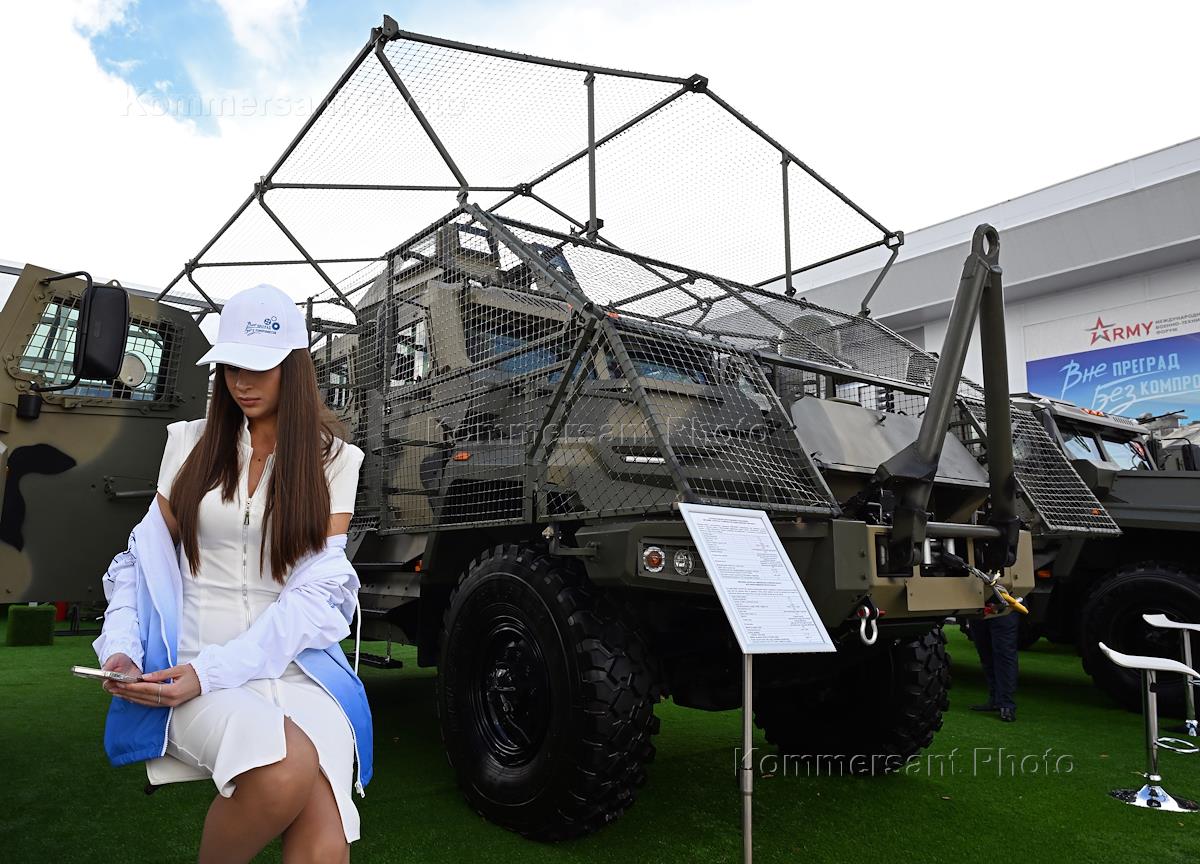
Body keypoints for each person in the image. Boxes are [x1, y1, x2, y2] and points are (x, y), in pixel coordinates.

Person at [92, 283, 367, 863]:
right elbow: (139, 563)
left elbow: (317, 596)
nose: (242, 382)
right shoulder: (187, 443)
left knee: (325, 834)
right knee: (284, 767)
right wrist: (120, 649)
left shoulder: (337, 461)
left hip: (294, 668)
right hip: (188, 665)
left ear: (294, 368)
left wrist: (213, 671)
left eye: (259, 367)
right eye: (231, 367)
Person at [969, 604, 1020, 722]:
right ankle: (997, 700)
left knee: (1004, 654)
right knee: (986, 653)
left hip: (1005, 606)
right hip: (979, 608)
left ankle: (1006, 703)